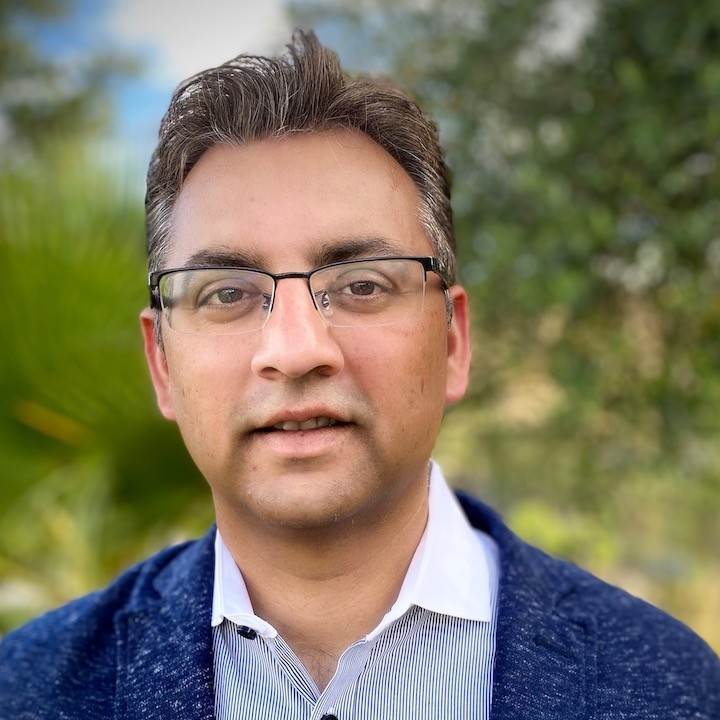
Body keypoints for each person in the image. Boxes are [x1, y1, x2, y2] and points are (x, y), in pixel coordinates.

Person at [1, 29, 718, 720]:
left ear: (453, 342)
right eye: (227, 293)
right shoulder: (26, 690)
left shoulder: (673, 689)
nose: (295, 350)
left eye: (362, 285)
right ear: (161, 363)